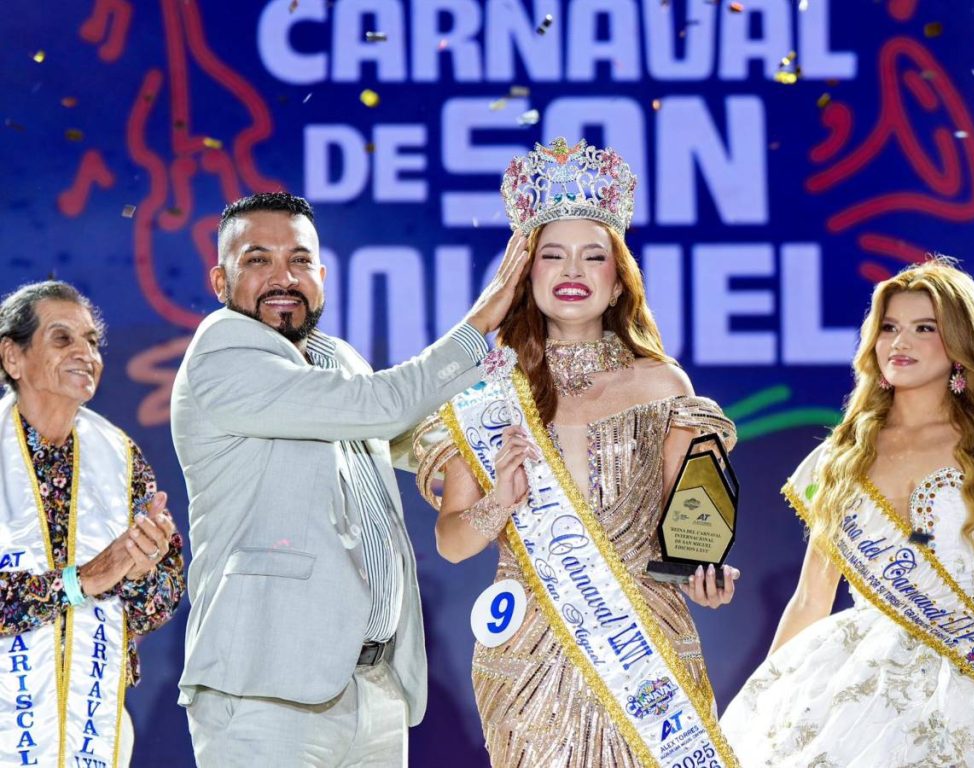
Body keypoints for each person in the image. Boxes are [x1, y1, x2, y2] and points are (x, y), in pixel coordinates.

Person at [412, 138, 741, 767]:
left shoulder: (663, 385)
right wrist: (499, 503)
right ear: (524, 275)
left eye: (594, 256)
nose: (572, 271)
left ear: (618, 283)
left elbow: (687, 535)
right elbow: (452, 542)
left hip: (644, 645)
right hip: (529, 657)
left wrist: (704, 575)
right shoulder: (486, 393)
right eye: (552, 255)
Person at [171, 191, 527, 766]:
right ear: (220, 280)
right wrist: (481, 323)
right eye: (258, 260)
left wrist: (506, 435)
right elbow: (385, 407)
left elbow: (408, 436)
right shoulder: (223, 350)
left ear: (322, 276)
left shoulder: (338, 359)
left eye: (300, 260)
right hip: (267, 692)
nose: (283, 277)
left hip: (374, 687)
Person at [720, 259, 974, 766]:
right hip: (862, 670)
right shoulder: (842, 454)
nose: (900, 342)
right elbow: (811, 598)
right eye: (889, 327)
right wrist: (764, 698)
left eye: (923, 328)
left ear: (959, 344)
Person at [0, 280, 184, 767]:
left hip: (91, 729)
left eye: (92, 341)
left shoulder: (120, 457)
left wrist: (142, 571)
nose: (85, 353)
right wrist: (79, 582)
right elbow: (88, 581)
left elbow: (159, 601)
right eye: (62, 338)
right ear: (12, 357)